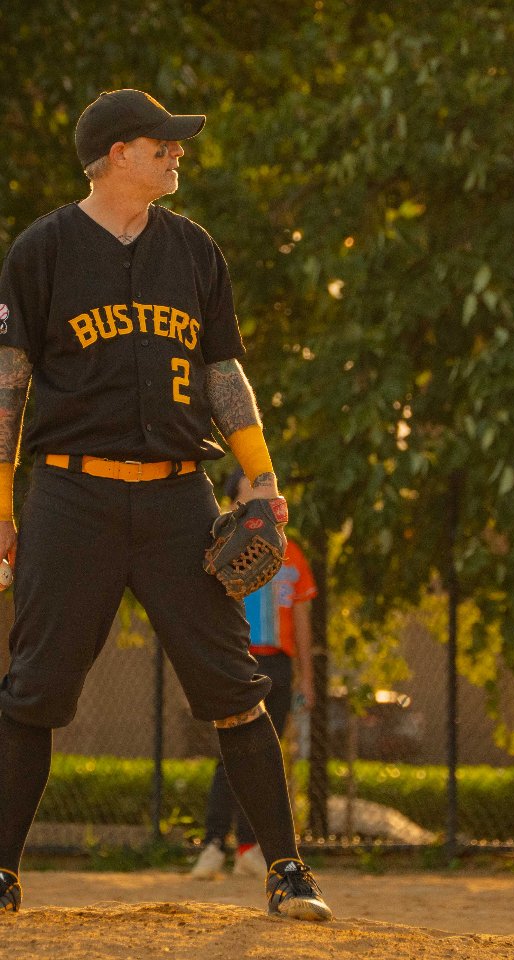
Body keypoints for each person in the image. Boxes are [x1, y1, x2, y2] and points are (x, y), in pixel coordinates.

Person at [0, 88, 332, 922]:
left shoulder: (193, 250)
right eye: (164, 144)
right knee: (33, 690)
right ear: (118, 154)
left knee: (234, 686)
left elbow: (224, 372)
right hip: (70, 495)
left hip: (181, 495)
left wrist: (260, 475)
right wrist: (0, 501)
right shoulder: (41, 251)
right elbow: (8, 384)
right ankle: (0, 873)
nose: (178, 153)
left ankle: (288, 870)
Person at [192, 468, 316, 880]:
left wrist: (307, 676)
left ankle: (249, 848)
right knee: (231, 753)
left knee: (265, 754)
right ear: (232, 503)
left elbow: (301, 617)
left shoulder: (290, 551)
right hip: (238, 659)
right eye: (254, 492)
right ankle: (212, 844)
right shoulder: (218, 545)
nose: (264, 498)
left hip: (278, 665)